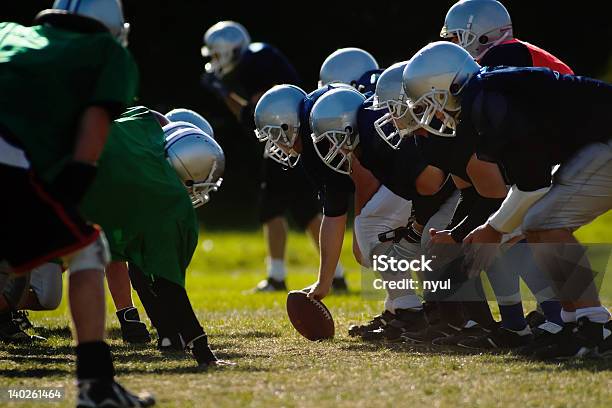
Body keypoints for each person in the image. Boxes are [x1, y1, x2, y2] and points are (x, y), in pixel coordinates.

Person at [401, 41, 612, 358]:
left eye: (429, 102)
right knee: (536, 222)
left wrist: (494, 230)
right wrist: (488, 230)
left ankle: (594, 325)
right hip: (596, 143)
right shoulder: (484, 98)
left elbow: (533, 185)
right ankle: (577, 323)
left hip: (605, 139)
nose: (428, 114)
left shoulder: (489, 101)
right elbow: (528, 184)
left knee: (544, 220)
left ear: (452, 85)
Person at [0, 1, 155, 406]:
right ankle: (96, 386)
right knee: (89, 249)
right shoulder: (107, 54)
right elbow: (94, 124)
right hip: (12, 163)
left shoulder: (7, 32)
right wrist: (72, 187)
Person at [201, 21, 341, 292]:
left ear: (232, 49)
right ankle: (336, 275)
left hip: (285, 140)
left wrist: (224, 93)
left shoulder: (256, 60)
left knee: (272, 208)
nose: (216, 62)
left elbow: (250, 117)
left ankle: (278, 276)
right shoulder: (256, 58)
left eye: (218, 54)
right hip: (291, 137)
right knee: (305, 209)